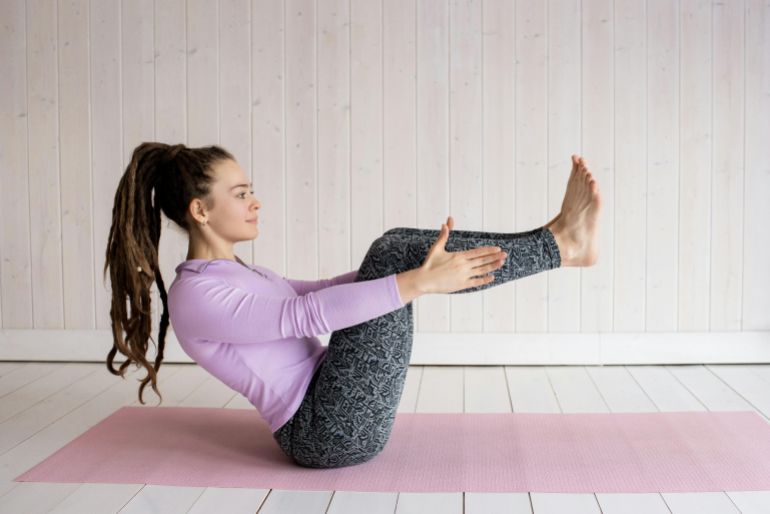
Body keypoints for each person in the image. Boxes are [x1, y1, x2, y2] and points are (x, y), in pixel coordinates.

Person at [103, 142, 601, 469]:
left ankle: (556, 241)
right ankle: (560, 244)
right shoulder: (197, 295)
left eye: (251, 190)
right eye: (240, 193)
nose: (255, 202)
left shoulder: (237, 274)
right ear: (200, 210)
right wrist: (414, 282)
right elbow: (302, 316)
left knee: (395, 246)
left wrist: (409, 276)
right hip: (324, 431)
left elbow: (317, 292)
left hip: (335, 404)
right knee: (393, 255)